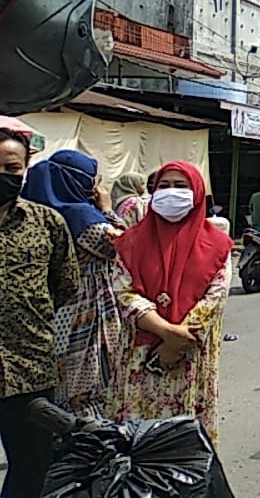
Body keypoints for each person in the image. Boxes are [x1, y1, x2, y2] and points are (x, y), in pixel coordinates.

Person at [111, 161, 235, 445]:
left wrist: (176, 344)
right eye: (163, 186)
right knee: (137, 441)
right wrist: (167, 332)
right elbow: (123, 292)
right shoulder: (130, 242)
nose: (171, 192)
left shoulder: (218, 245)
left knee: (185, 441)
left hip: (189, 357)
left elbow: (214, 298)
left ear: (197, 193)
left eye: (181, 186)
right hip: (139, 356)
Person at [0, 128, 78, 498]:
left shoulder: (48, 223)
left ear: (26, 170)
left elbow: (65, 285)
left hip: (29, 371)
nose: (3, 175)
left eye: (11, 168)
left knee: (32, 467)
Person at [21, 149, 126, 418]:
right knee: (86, 385)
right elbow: (126, 247)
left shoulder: (32, 212)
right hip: (84, 311)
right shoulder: (83, 218)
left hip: (47, 310)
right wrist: (107, 209)